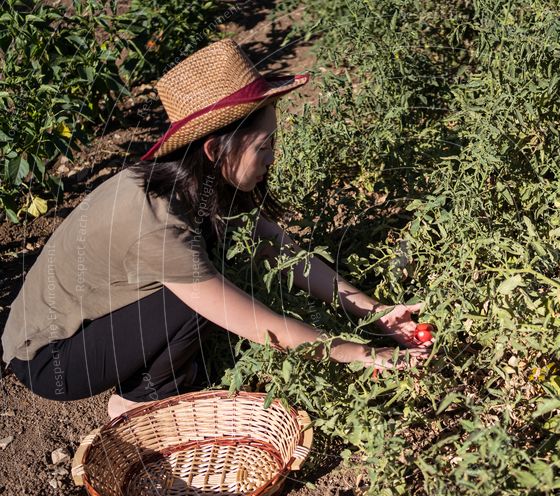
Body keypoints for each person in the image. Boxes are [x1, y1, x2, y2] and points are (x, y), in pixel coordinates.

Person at [0, 39, 432, 419]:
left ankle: (159, 367)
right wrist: (366, 356)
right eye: (264, 147)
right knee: (199, 298)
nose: (272, 158)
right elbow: (269, 328)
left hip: (89, 324)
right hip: (51, 358)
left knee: (206, 273)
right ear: (214, 148)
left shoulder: (194, 180)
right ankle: (138, 400)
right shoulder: (155, 221)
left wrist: (373, 312)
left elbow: (276, 246)